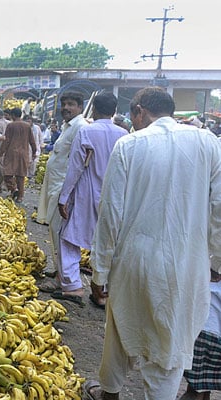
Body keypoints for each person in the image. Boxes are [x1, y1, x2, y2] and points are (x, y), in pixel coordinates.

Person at [83, 87, 221, 400]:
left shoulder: (129, 145)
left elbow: (110, 215)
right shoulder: (208, 143)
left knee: (118, 334)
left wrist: (99, 274)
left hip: (133, 262)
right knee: (168, 353)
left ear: (139, 112)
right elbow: (220, 211)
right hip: (186, 266)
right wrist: (216, 264)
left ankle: (109, 394)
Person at [48, 92, 127, 306]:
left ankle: (73, 286)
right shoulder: (124, 133)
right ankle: (104, 292)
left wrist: (64, 197)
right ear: (114, 111)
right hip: (115, 195)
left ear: (93, 109)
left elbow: (75, 167)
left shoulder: (87, 131)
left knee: (68, 237)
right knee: (109, 241)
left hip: (87, 191)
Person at [35, 92, 88, 282]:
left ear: (80, 107)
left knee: (60, 233)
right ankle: (59, 270)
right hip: (54, 186)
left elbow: (78, 163)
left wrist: (67, 195)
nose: (66, 108)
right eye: (64, 104)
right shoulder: (67, 127)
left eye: (71, 104)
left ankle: (63, 280)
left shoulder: (81, 128)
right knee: (53, 229)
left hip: (63, 190)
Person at [179, 271, 221, 400]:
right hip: (214, 338)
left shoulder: (203, 274)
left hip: (194, 334)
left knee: (198, 387)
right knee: (200, 387)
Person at [0, 108, 37, 203]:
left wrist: (1, 152)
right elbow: (32, 141)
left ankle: (14, 189)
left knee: (7, 174)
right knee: (20, 176)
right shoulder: (27, 126)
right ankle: (20, 196)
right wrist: (34, 152)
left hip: (11, 153)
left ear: (13, 115)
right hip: (24, 154)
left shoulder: (10, 125)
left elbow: (6, 140)